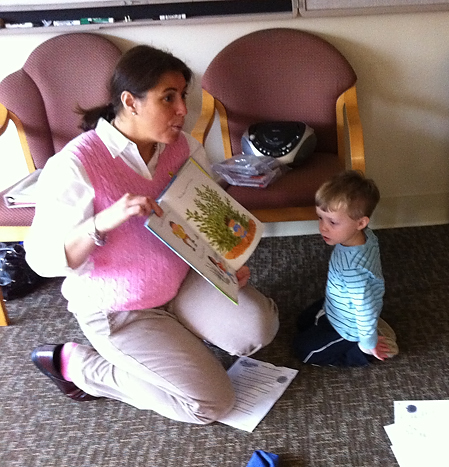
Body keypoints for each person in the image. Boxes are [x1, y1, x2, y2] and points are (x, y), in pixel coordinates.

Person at [25, 45, 279, 424]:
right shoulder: (74, 166)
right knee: (212, 404)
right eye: (168, 98)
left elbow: (200, 219)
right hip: (120, 310)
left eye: (183, 96)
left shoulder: (184, 148)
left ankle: (174, 344)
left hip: (179, 281)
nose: (182, 110)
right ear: (130, 101)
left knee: (259, 330)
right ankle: (82, 367)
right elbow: (42, 261)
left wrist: (225, 264)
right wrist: (100, 223)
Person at [293, 170, 398, 367]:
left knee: (303, 350)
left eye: (332, 222)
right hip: (338, 304)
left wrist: (368, 343)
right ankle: (371, 328)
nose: (323, 227)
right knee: (302, 321)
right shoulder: (367, 236)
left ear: (360, 223)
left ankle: (362, 350)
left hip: (349, 326)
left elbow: (364, 308)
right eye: (320, 218)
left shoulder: (354, 273)